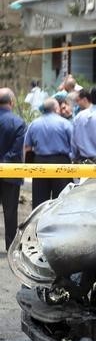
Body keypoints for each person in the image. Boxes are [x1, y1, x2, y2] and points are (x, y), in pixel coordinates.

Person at [23, 98, 73, 208]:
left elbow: (27, 146)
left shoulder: (34, 124)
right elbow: (73, 145)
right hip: (61, 162)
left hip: (40, 162)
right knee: (61, 199)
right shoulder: (65, 123)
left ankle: (39, 223)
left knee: (39, 200)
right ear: (56, 108)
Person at [0, 88, 26, 250]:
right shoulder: (18, 122)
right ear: (11, 102)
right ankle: (10, 247)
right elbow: (16, 151)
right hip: (11, 173)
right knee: (10, 212)